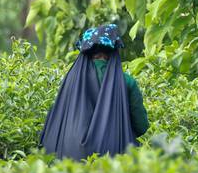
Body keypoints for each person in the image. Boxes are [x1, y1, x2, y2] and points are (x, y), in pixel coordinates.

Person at [39, 23, 148, 160]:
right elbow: (142, 125)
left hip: (71, 155)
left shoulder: (71, 80)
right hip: (113, 158)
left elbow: (56, 117)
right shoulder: (126, 82)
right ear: (113, 51)